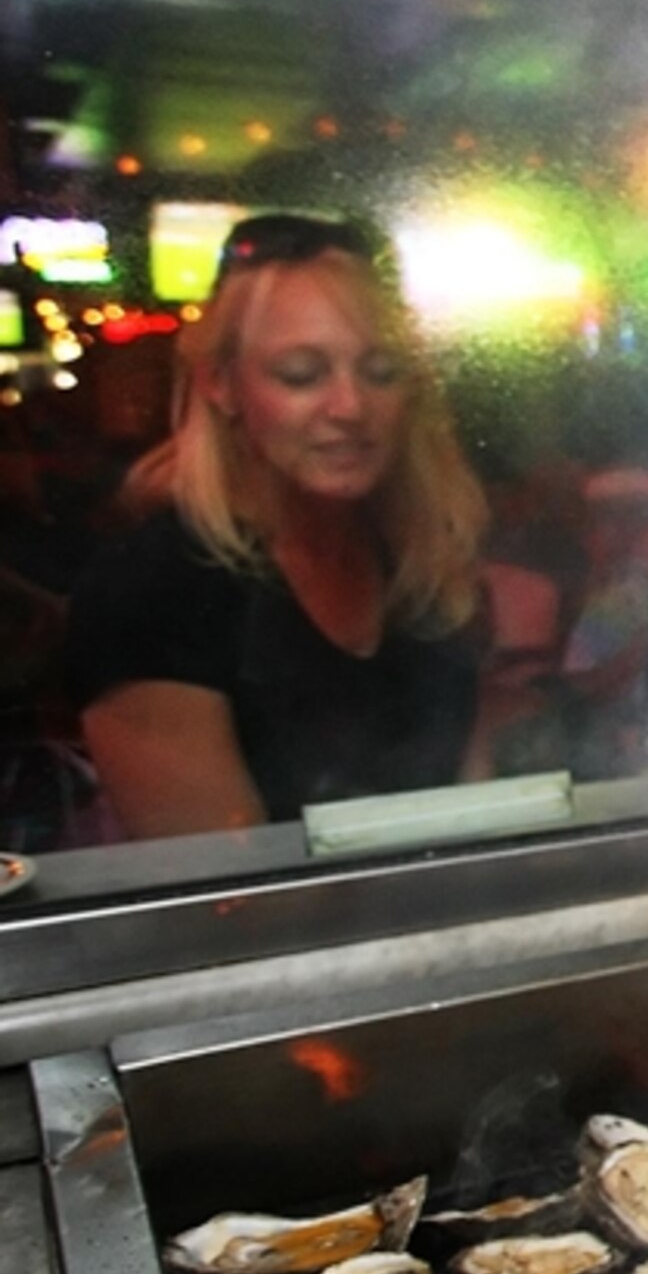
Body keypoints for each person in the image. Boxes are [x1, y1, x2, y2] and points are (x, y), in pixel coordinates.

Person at [66, 214, 489, 833]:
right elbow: (222, 900)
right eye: (301, 374)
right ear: (221, 384)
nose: (350, 407)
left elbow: (477, 819)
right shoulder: (155, 592)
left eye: (380, 373)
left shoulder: (423, 564)